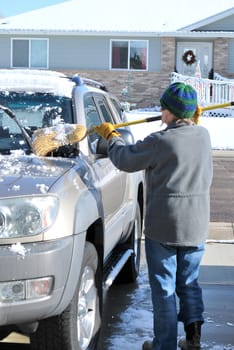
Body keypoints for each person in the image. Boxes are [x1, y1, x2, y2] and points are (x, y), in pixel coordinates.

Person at [94, 82, 213, 350]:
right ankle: (193, 339)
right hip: (195, 227)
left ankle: (165, 344)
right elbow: (189, 138)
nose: (160, 111)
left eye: (163, 107)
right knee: (189, 283)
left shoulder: (160, 141)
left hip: (164, 227)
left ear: (171, 112)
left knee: (164, 289)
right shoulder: (204, 136)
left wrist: (112, 138)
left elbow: (125, 159)